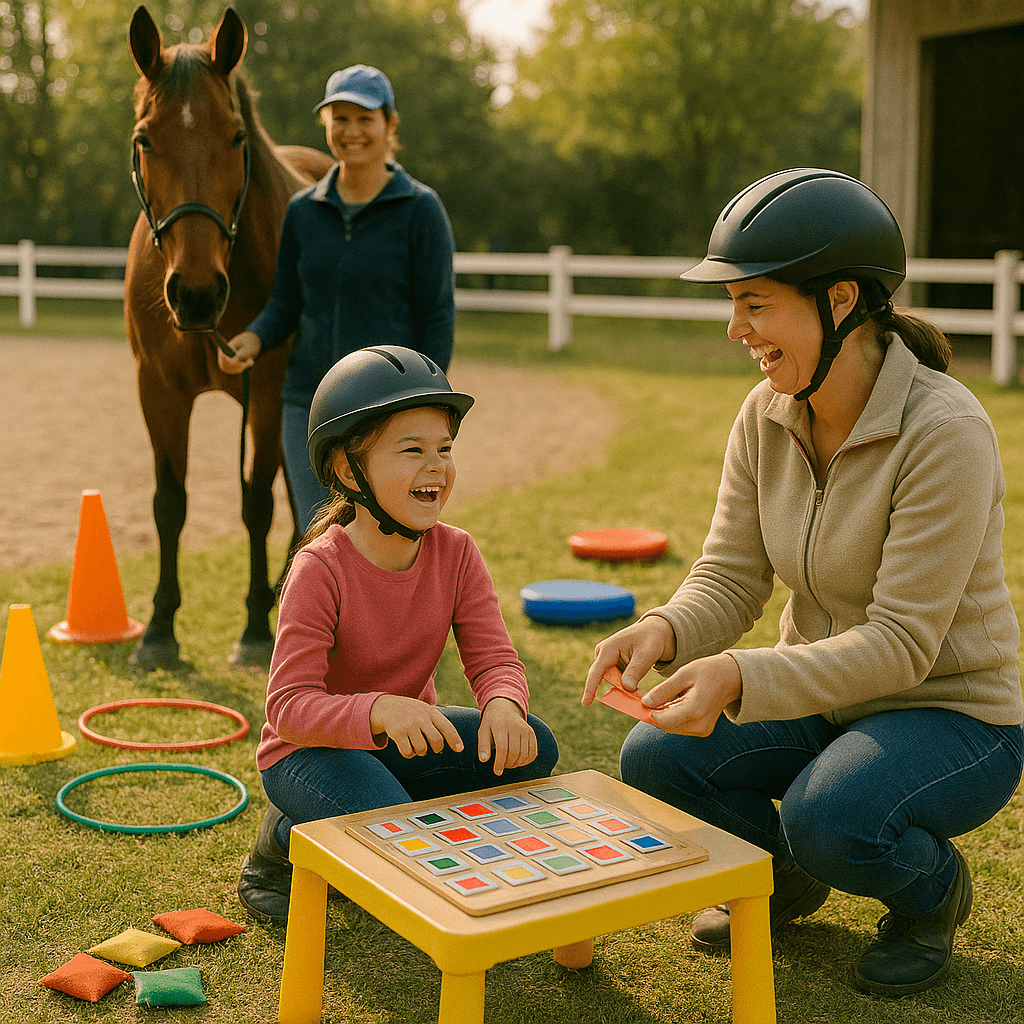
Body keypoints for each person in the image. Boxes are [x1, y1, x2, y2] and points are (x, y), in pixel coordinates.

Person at [582, 169, 1024, 997]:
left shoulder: (947, 431)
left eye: (756, 304)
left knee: (833, 818)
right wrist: (665, 628)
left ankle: (932, 894)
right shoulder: (765, 413)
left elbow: (901, 644)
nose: (736, 328)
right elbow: (730, 571)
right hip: (824, 697)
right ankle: (783, 883)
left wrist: (742, 673)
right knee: (656, 757)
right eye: (734, 305)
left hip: (955, 715)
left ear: (840, 300)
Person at [239, 345, 559, 923]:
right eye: (412, 450)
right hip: (306, 752)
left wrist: (505, 707)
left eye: (444, 449)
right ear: (346, 470)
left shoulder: (457, 552)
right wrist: (382, 709)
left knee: (534, 748)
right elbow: (288, 707)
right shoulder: (320, 568)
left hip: (401, 741)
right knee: (401, 830)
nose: (436, 467)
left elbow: (494, 659)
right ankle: (282, 840)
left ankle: (367, 820)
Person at [219, 65, 457, 532]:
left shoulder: (421, 210)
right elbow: (286, 304)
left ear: (390, 125)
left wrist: (431, 407)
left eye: (364, 119)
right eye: (339, 119)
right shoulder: (304, 211)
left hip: (391, 409)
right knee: (320, 538)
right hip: (307, 404)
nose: (351, 132)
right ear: (326, 126)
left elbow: (437, 316)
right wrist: (253, 337)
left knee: (382, 537)